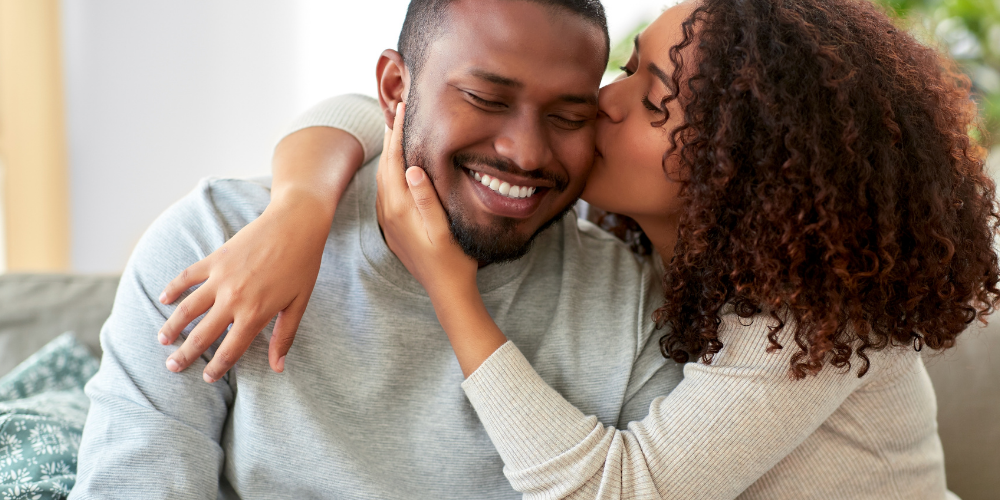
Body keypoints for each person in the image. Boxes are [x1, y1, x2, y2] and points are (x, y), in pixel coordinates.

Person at [158, 0, 999, 498]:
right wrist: (298, 212)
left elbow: (614, 489)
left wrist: (451, 289)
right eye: (629, 68)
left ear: (738, 169)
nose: (604, 103)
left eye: (653, 100)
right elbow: (379, 108)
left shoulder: (808, 322)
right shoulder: (649, 246)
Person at [69, 1, 684, 499]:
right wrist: (302, 204)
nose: (526, 153)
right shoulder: (215, 242)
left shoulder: (635, 313)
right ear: (395, 88)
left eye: (568, 116)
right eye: (486, 99)